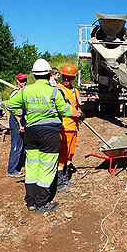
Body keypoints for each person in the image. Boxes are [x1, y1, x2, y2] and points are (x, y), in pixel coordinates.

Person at [8, 59, 81, 213]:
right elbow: (66, 110)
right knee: (47, 167)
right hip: (49, 133)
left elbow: (11, 105)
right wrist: (78, 113)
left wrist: (23, 115)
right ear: (49, 74)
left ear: (34, 75)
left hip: (31, 132)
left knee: (32, 165)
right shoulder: (54, 91)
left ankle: (31, 201)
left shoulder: (25, 91)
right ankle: (42, 202)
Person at [57, 63, 81, 191]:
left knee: (70, 154)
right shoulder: (59, 90)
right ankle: (60, 182)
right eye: (65, 77)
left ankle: (66, 177)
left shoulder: (75, 91)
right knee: (62, 155)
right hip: (64, 127)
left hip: (74, 127)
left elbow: (77, 107)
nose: (67, 80)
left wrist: (81, 113)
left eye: (70, 78)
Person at [7, 73, 27, 178]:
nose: (24, 82)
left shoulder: (24, 92)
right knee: (16, 145)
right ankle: (12, 169)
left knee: (22, 144)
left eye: (25, 80)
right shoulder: (16, 93)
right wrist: (21, 125)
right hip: (16, 121)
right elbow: (16, 112)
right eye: (22, 81)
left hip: (21, 119)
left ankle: (18, 165)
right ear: (17, 82)